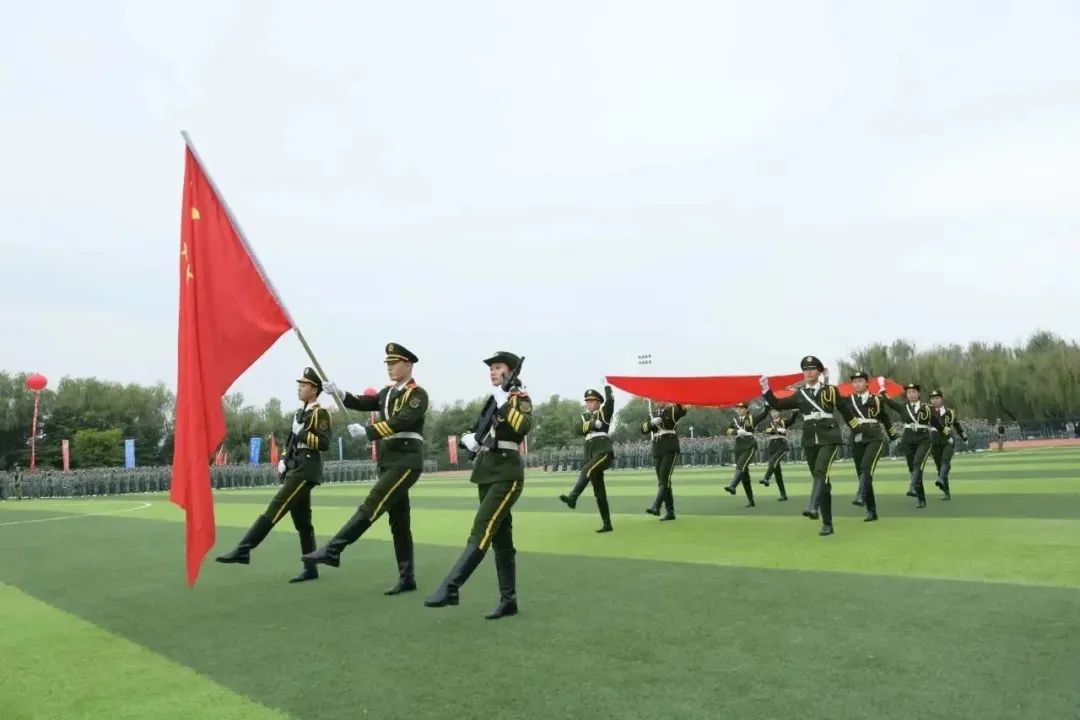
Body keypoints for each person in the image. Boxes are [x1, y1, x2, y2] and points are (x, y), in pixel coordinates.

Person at [303, 343, 428, 596]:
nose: (390, 368)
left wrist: (368, 432)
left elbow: (402, 421)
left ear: (408, 365)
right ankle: (407, 577)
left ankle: (334, 549)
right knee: (399, 521)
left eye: (394, 363)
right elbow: (363, 402)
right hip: (388, 460)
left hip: (406, 460)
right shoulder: (387, 393)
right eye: (388, 364)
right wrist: (340, 393)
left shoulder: (417, 395)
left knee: (373, 502)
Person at [425, 351, 531, 619]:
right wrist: (471, 439)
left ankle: (451, 586)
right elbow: (484, 429)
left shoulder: (518, 398)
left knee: (482, 529)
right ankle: (509, 600)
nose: (492, 372)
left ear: (511, 371)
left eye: (497, 367)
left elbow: (522, 427)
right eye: (491, 368)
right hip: (486, 472)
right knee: (501, 539)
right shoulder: (493, 400)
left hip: (506, 473)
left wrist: (505, 405)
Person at [215, 367, 330, 583]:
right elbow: (290, 442)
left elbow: (324, 443)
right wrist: (284, 459)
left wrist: (303, 433)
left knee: (276, 507)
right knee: (303, 522)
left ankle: (244, 549)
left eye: (304, 385)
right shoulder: (299, 413)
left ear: (314, 389)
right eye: (299, 385)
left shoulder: (320, 413)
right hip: (295, 467)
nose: (299, 388)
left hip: (306, 470)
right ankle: (311, 568)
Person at [758, 355, 843, 536]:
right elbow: (778, 404)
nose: (808, 372)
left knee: (820, 472)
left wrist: (857, 428)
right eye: (805, 370)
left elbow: (846, 410)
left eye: (812, 369)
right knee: (822, 482)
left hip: (829, 437)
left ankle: (813, 506)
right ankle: (827, 523)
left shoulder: (830, 390)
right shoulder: (800, 394)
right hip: (810, 439)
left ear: (819, 372)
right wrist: (766, 389)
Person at [834, 371, 897, 522]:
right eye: (855, 382)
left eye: (860, 381)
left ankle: (860, 496)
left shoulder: (876, 399)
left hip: (874, 436)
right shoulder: (848, 400)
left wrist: (893, 435)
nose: (857, 384)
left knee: (866, 467)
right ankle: (871, 511)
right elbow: (834, 399)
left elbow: (885, 418)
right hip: (857, 438)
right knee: (862, 475)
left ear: (867, 383)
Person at [559, 384, 616, 533]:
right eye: (587, 401)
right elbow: (576, 429)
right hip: (590, 454)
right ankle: (607, 524)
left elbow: (610, 401)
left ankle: (572, 498)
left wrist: (607, 387)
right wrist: (592, 424)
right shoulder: (584, 417)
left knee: (586, 470)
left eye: (592, 401)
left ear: (599, 402)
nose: (589, 404)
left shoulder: (604, 412)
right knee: (599, 492)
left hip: (603, 451)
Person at [878, 379, 933, 509]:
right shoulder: (904, 407)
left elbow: (936, 421)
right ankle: (920, 497)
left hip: (923, 439)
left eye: (913, 392)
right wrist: (882, 390)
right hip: (908, 440)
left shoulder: (927, 407)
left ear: (919, 394)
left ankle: (912, 488)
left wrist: (946, 434)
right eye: (908, 392)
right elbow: (890, 403)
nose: (911, 394)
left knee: (917, 463)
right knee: (913, 469)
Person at [641, 401, 686, 520]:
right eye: (656, 400)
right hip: (657, 448)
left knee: (664, 479)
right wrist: (651, 423)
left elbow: (682, 411)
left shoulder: (671, 409)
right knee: (663, 481)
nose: (658, 402)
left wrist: (677, 401)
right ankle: (670, 512)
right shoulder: (652, 414)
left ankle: (656, 505)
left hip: (669, 445)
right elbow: (643, 429)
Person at [723, 402, 770, 507]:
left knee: (741, 465)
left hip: (749, 445)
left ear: (746, 409)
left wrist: (767, 405)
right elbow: (727, 430)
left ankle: (733, 485)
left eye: (741, 408)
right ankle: (751, 500)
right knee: (744, 475)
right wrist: (736, 432)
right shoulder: (735, 420)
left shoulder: (752, 419)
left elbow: (763, 414)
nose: (739, 410)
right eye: (737, 408)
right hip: (739, 446)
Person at [928, 389, 968, 501]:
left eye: (937, 398)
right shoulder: (928, 412)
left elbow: (957, 425)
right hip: (934, 440)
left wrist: (964, 437)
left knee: (945, 460)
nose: (934, 401)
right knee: (939, 467)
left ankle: (940, 479)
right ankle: (946, 492)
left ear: (942, 399)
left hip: (948, 439)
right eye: (932, 399)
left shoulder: (950, 412)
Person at [757, 409, 799, 501]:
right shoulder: (769, 423)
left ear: (778, 413)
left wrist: (795, 412)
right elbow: (765, 431)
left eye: (775, 411)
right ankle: (783, 495)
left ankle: (766, 477)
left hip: (781, 445)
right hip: (772, 446)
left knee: (773, 461)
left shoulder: (784, 421)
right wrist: (777, 429)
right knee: (777, 472)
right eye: (772, 412)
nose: (774, 413)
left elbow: (792, 420)